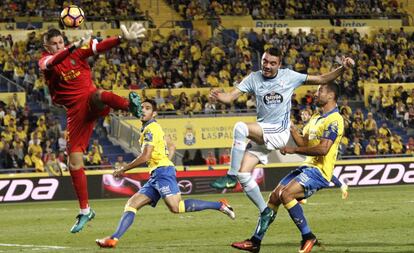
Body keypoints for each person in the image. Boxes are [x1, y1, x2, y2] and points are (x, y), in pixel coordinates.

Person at [209, 47, 354, 223]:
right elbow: (229, 97)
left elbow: (322, 78)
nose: (267, 66)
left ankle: (230, 176)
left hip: (279, 132)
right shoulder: (253, 78)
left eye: (272, 63)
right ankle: (265, 211)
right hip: (263, 132)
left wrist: (343, 68)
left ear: (279, 64)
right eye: (265, 61)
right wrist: (217, 96)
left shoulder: (289, 76)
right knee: (244, 174)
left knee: (240, 128)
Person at [38, 23, 146, 233]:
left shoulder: (76, 52)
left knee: (99, 95)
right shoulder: (45, 61)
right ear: (47, 46)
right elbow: (52, 61)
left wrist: (121, 39)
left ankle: (130, 107)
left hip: (89, 100)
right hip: (75, 112)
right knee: (74, 162)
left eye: (61, 41)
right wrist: (70, 48)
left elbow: (98, 47)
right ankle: (85, 210)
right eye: (54, 44)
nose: (58, 46)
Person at [96, 99, 235, 248]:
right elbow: (171, 146)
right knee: (132, 204)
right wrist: (165, 160)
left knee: (176, 207)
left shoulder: (152, 129)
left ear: (154, 113)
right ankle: (113, 239)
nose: (143, 110)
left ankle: (219, 205)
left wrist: (123, 169)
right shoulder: (150, 129)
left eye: (147, 108)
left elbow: (145, 156)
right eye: (141, 107)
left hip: (162, 172)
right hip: (157, 173)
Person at [231, 82, 344, 253]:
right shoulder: (315, 117)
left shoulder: (335, 119)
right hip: (306, 167)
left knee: (286, 194)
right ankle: (255, 241)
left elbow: (323, 149)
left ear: (330, 96)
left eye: (320, 90)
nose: (315, 93)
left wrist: (294, 149)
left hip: (320, 172)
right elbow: (304, 143)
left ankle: (308, 236)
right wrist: (291, 129)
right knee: (275, 197)